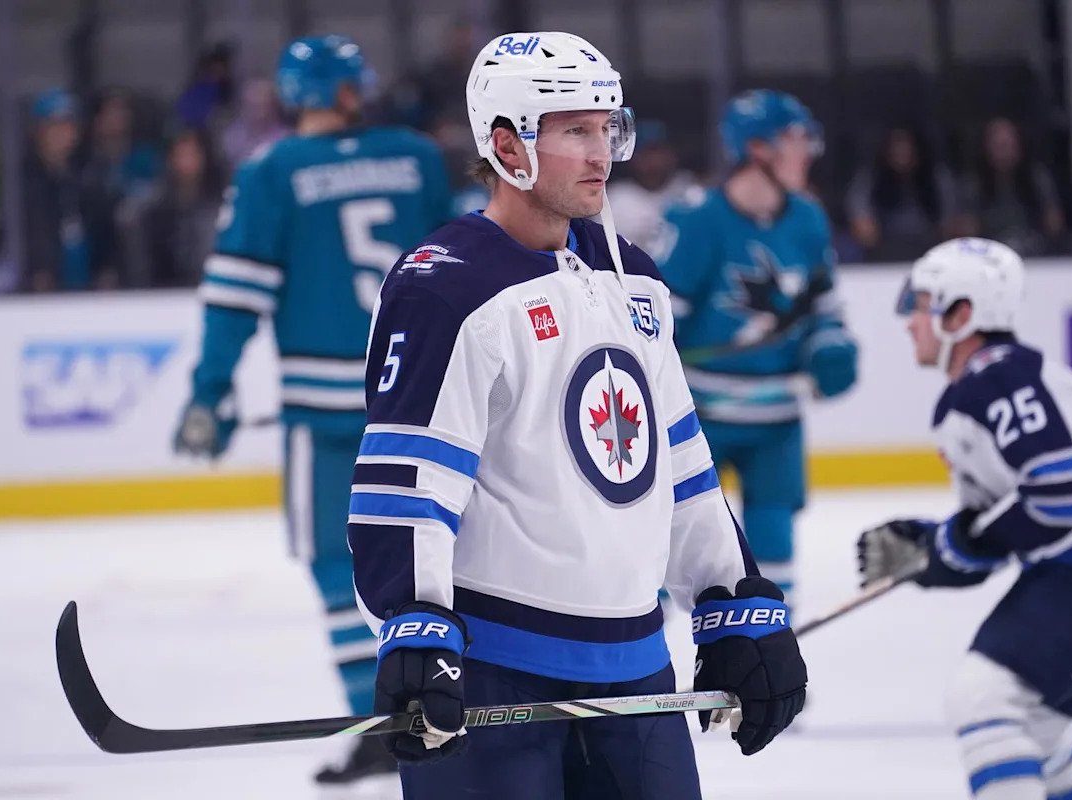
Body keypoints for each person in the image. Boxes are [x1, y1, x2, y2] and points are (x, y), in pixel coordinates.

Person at [347, 33, 807, 799]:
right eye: (574, 131)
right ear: (507, 145)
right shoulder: (444, 288)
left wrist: (731, 596)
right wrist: (413, 624)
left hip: (637, 669)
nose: (601, 154)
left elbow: (678, 458)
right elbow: (409, 481)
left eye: (606, 128)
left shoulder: (633, 276)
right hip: (494, 671)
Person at [171, 34, 453, 784]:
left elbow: (236, 294)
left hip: (326, 420)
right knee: (453, 559)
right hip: (426, 402)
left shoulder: (271, 170)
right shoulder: (419, 156)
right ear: (350, 90)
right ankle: (459, 697)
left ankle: (380, 718)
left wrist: (209, 391)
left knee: (334, 564)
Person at [858, 237, 1072, 800]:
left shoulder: (999, 380)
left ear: (961, 315)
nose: (909, 322)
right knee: (1037, 727)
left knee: (986, 697)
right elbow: (1020, 523)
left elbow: (1065, 496)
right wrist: (941, 548)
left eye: (921, 305)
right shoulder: (993, 384)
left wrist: (960, 541)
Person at [656, 90, 858, 604]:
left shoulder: (808, 219)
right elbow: (658, 320)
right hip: (696, 420)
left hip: (777, 420)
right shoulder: (699, 220)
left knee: (773, 548)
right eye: (795, 140)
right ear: (758, 149)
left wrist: (829, 346)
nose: (808, 152)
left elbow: (823, 308)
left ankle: (771, 646)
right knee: (665, 546)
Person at [20, 88, 110, 292]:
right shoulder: (26, 181)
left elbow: (101, 227)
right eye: (54, 125)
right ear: (39, 130)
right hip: (44, 284)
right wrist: (39, 269)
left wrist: (104, 268)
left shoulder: (87, 176)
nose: (62, 133)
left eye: (68, 125)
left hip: (85, 280)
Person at [119, 127, 226, 288]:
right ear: (170, 159)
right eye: (180, 155)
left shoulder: (217, 205)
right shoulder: (151, 209)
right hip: (162, 289)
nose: (186, 163)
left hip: (203, 284)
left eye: (191, 155)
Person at [845, 125, 958, 262]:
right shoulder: (871, 179)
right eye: (896, 147)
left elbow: (951, 219)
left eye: (906, 147)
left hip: (931, 251)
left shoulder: (936, 178)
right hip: (883, 252)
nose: (902, 153)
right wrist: (864, 225)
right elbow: (860, 218)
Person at [960, 117, 1067, 257]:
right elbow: (967, 229)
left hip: (1035, 251)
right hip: (989, 253)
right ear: (986, 148)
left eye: (1009, 145)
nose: (1005, 152)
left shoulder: (1035, 178)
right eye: (999, 146)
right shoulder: (974, 183)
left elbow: (1054, 223)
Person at [605, 118, 700, 256]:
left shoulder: (691, 191)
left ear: (673, 155)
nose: (654, 162)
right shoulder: (615, 198)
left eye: (659, 153)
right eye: (646, 155)